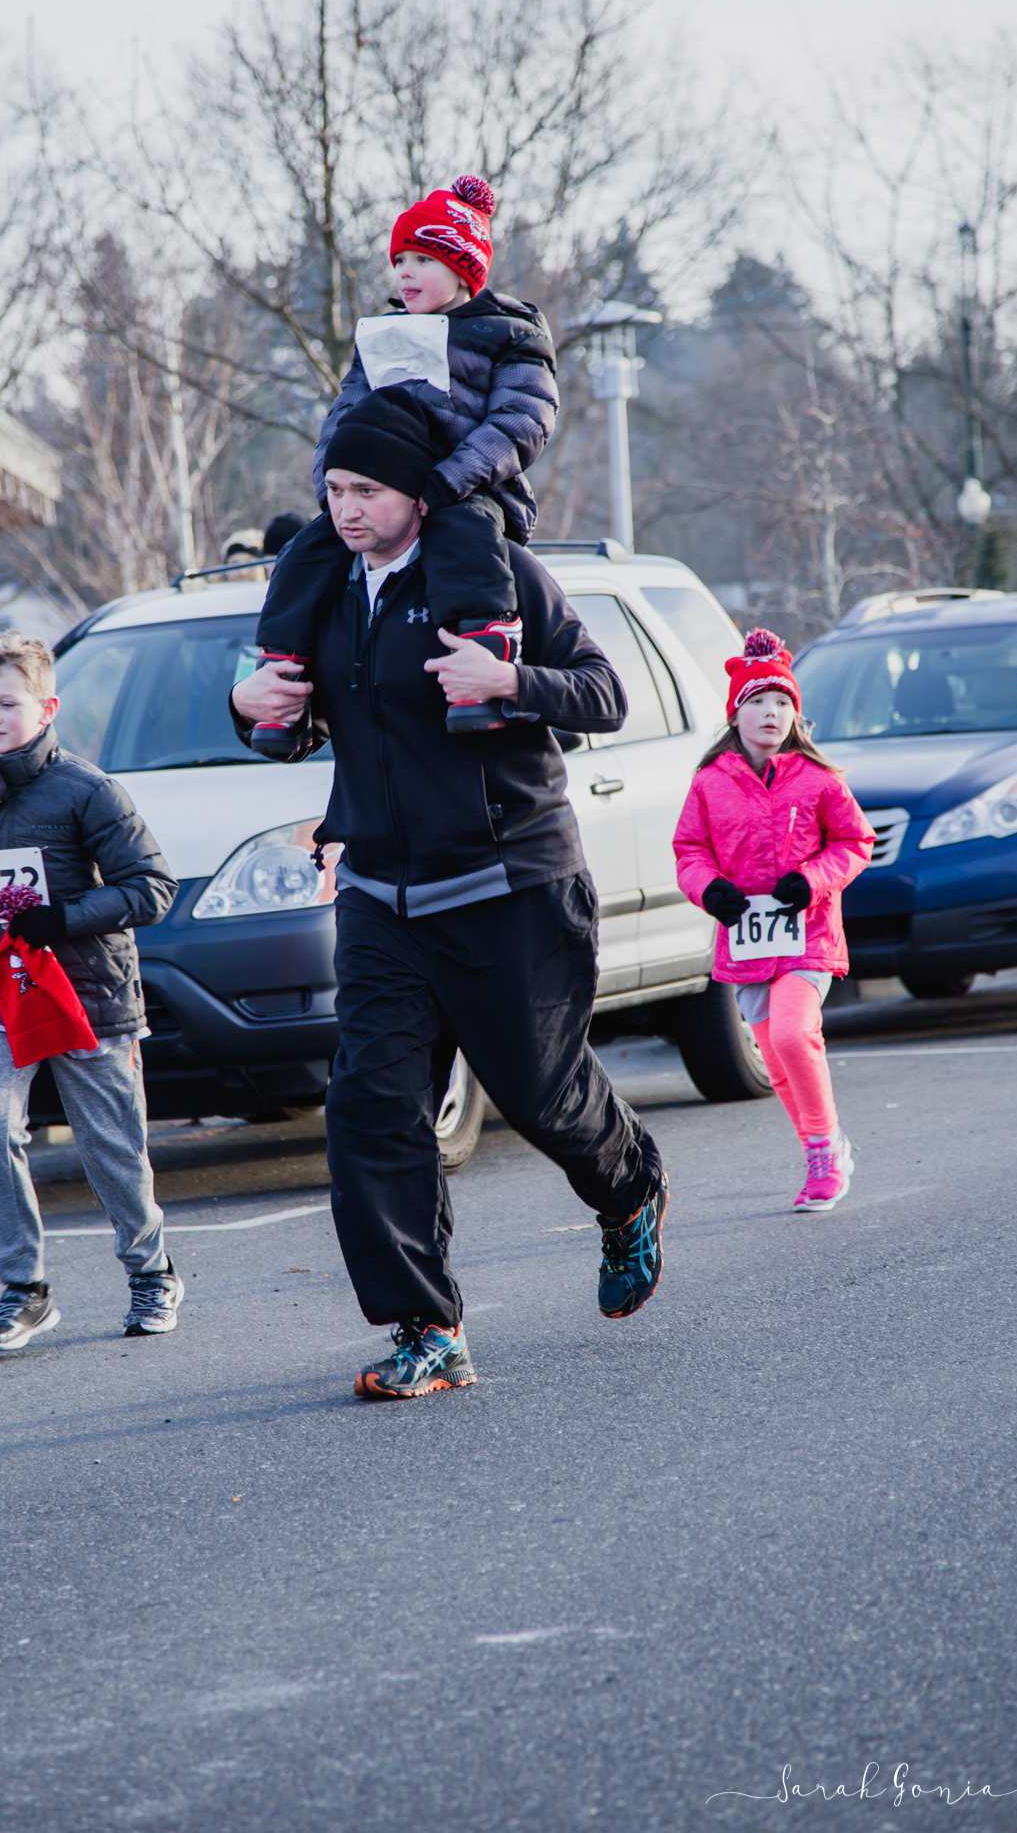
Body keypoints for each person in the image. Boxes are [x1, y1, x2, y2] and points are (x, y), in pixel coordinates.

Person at [231, 391, 668, 1400]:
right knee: (372, 1109)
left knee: (541, 1094)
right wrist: (243, 701)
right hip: (382, 889)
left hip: (511, 880)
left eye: (368, 490)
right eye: (335, 488)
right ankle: (428, 1326)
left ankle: (629, 1182)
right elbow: (287, 713)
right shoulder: (327, 589)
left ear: (419, 495)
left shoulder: (495, 571)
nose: (347, 508)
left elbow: (605, 690)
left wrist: (509, 679)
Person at [0, 632, 182, 1352]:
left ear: (47, 708)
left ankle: (151, 1271)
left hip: (87, 990)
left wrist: (63, 918)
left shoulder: (88, 788)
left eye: (9, 702)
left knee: (109, 1144)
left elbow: (152, 888)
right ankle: (24, 1289)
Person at [251, 174, 558, 750]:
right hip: (384, 492)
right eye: (399, 261)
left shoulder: (509, 335)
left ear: (464, 268)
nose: (405, 274)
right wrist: (336, 491)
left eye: (422, 259)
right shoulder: (383, 335)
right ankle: (282, 674)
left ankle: (484, 651)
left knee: (464, 539)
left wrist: (448, 480)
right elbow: (342, 417)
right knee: (306, 550)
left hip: (470, 490)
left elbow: (522, 420)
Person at [672, 628, 874, 1212]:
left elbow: (856, 841)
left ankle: (824, 1151)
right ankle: (820, 1144)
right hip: (747, 943)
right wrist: (710, 891)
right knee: (775, 1056)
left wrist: (809, 882)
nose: (771, 713)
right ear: (735, 714)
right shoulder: (710, 783)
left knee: (792, 1033)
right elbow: (690, 851)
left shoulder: (818, 780)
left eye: (783, 702)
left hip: (808, 934)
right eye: (758, 701)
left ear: (795, 715)